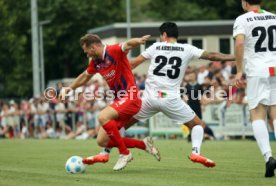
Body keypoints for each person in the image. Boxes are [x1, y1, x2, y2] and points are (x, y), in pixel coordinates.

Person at [87, 22, 235, 168]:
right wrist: (236, 56)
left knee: (118, 125)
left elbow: (132, 64)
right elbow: (213, 56)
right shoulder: (187, 48)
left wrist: (112, 72)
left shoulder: (155, 46)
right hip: (170, 99)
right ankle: (195, 152)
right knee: (198, 125)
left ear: (163, 35)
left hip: (149, 98)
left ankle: (105, 152)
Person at [58, 34, 159, 171]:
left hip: (131, 97)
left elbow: (127, 44)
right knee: (102, 141)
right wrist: (69, 88)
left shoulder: (113, 50)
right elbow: (84, 77)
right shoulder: (95, 62)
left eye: (86, 50)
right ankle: (143, 144)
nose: (86, 54)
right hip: (121, 101)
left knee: (102, 116)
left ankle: (125, 154)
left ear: (93, 47)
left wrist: (139, 41)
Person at [233, 0, 276, 177]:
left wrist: (239, 70)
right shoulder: (274, 17)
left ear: (245, 3)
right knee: (275, 114)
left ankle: (268, 157)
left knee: (257, 114)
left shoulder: (242, 19)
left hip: (257, 71)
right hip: (275, 67)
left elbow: (240, 44)